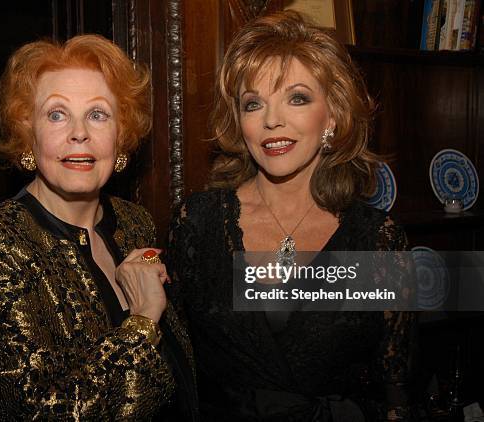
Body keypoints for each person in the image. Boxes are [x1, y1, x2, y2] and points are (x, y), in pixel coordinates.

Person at [167, 11, 414, 421]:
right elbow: (175, 376)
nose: (271, 120)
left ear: (332, 116)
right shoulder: (197, 223)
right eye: (253, 103)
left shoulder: (377, 240)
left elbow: (397, 394)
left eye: (297, 98)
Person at [0, 34, 197, 420]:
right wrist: (143, 321)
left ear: (121, 136)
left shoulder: (136, 222)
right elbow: (38, 412)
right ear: (27, 133)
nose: (79, 132)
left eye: (98, 114)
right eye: (56, 114)